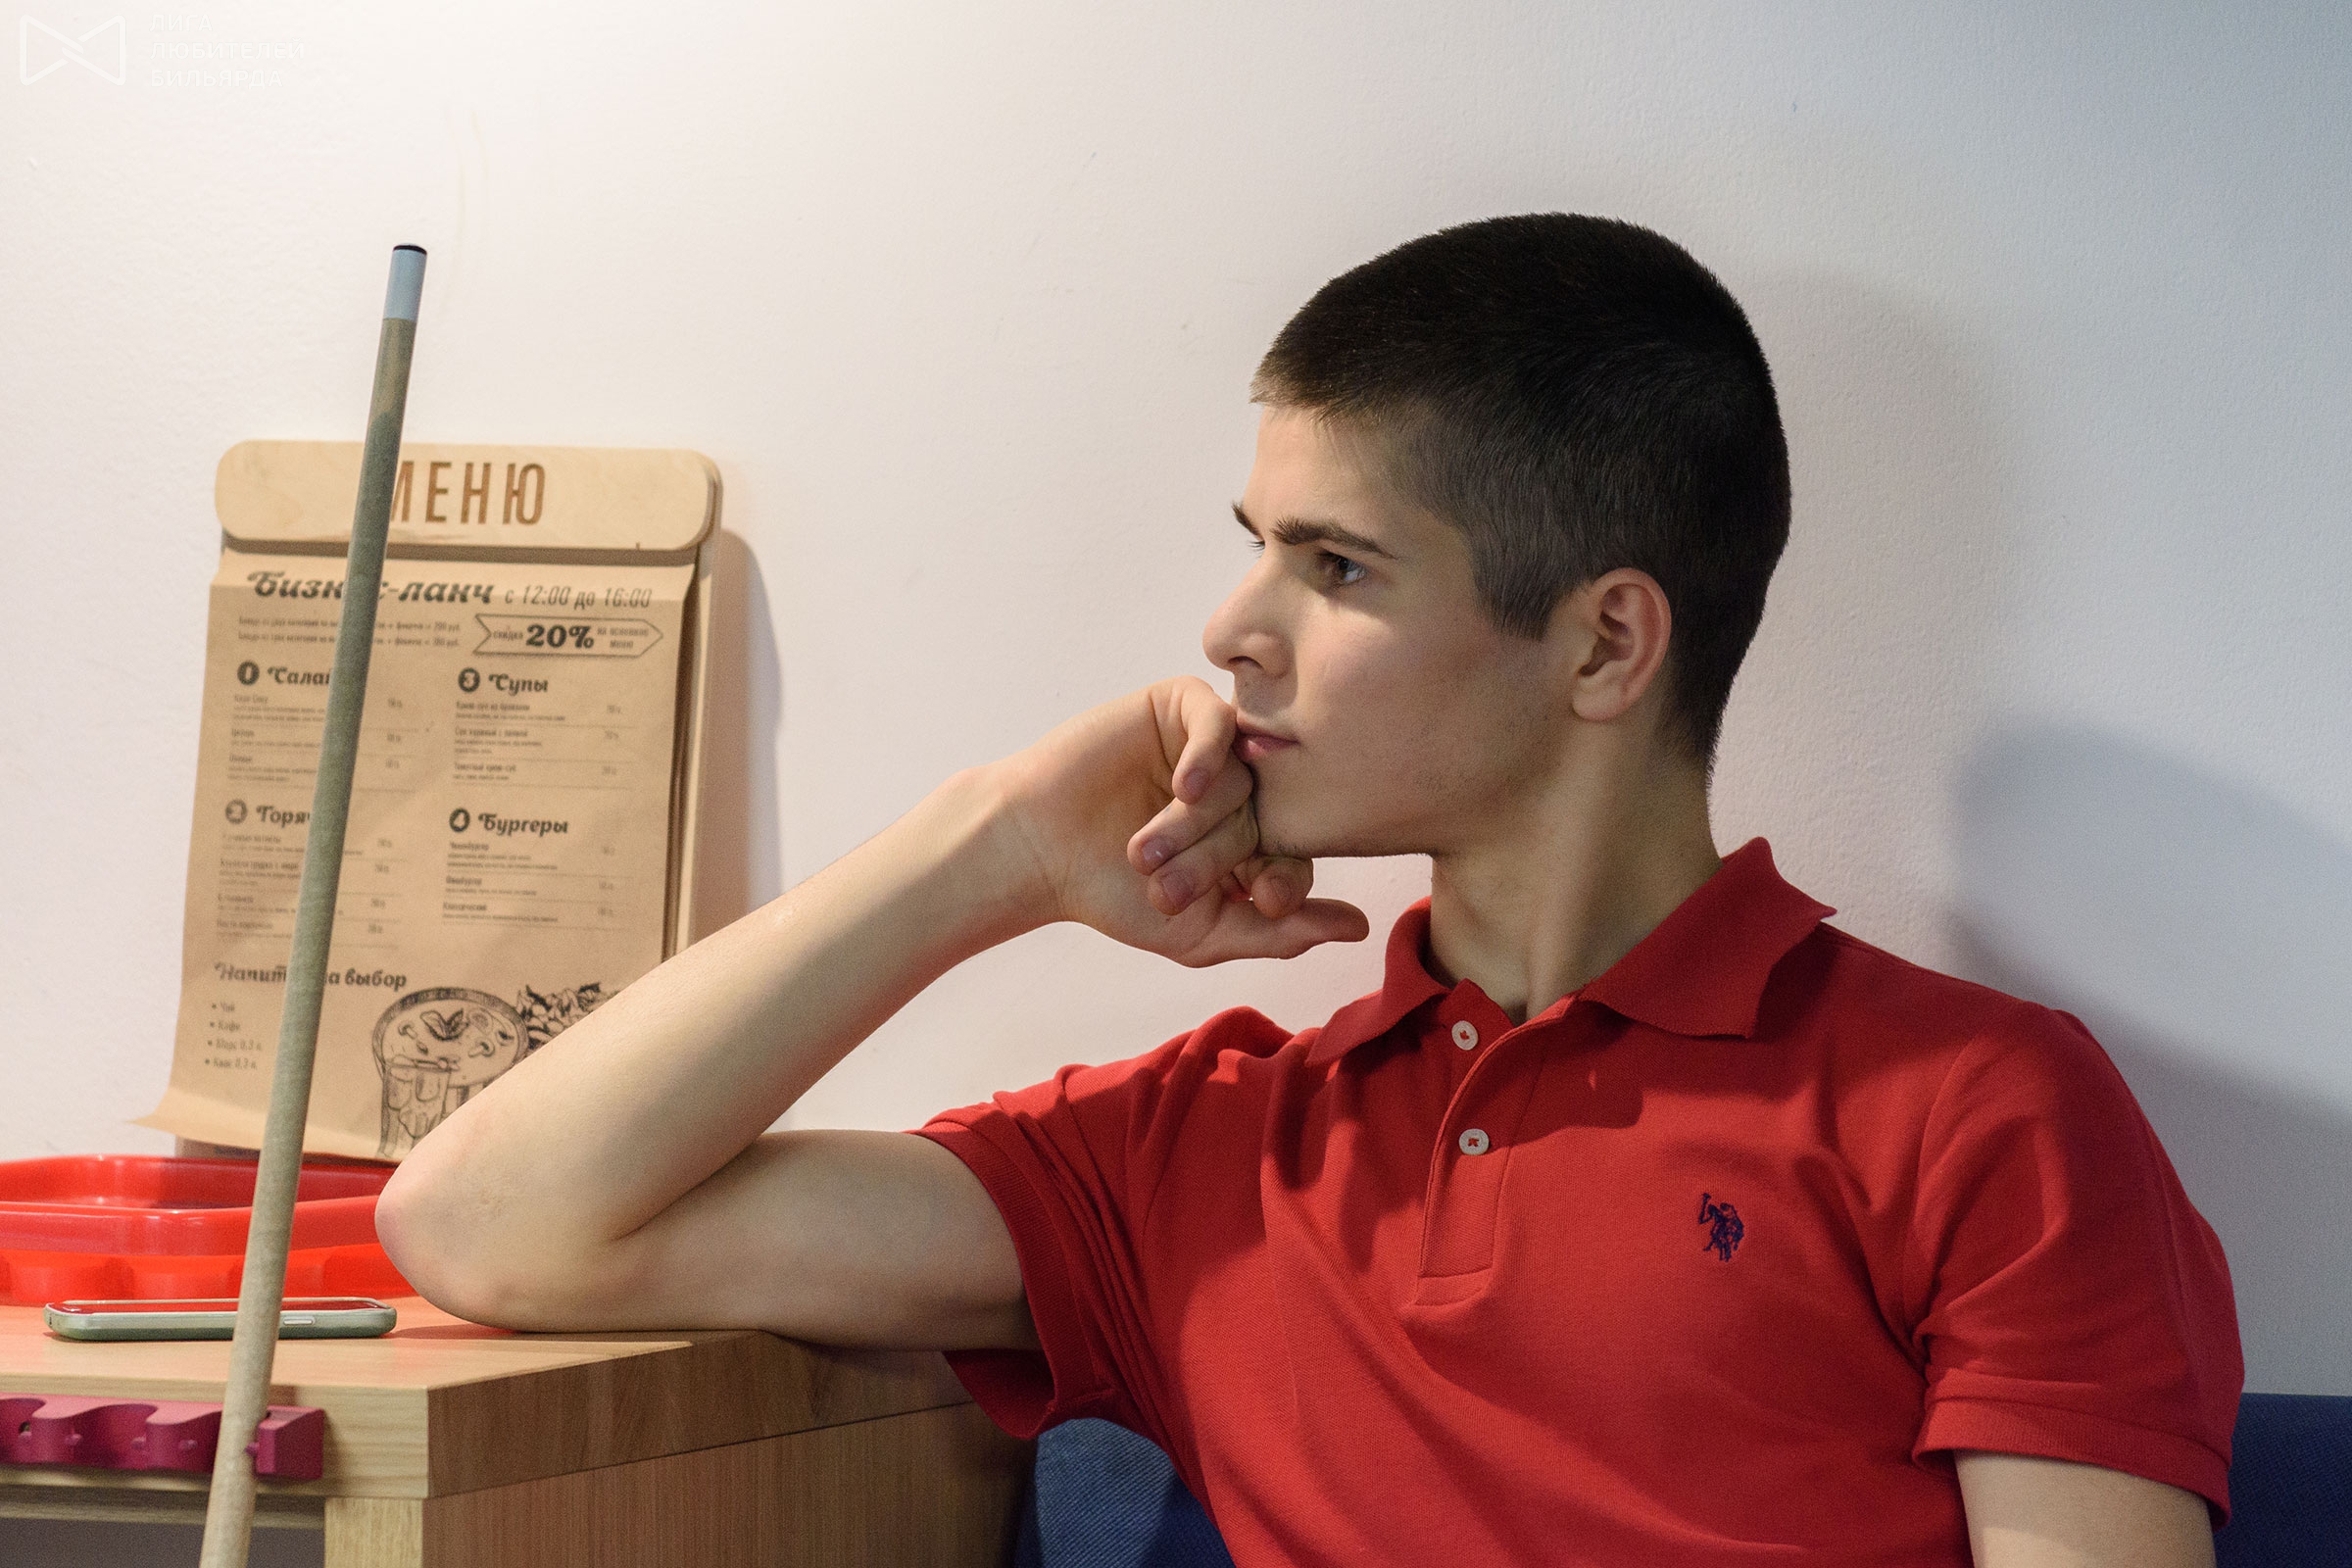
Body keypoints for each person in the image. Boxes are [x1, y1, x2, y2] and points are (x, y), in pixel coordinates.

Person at [377, 214, 2242, 1566]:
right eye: (1254, 548)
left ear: (1606, 645)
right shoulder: (1208, 1157)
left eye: (1337, 569)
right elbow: (493, 1223)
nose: (1231, 630)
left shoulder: (1979, 1110)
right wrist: (994, 846)